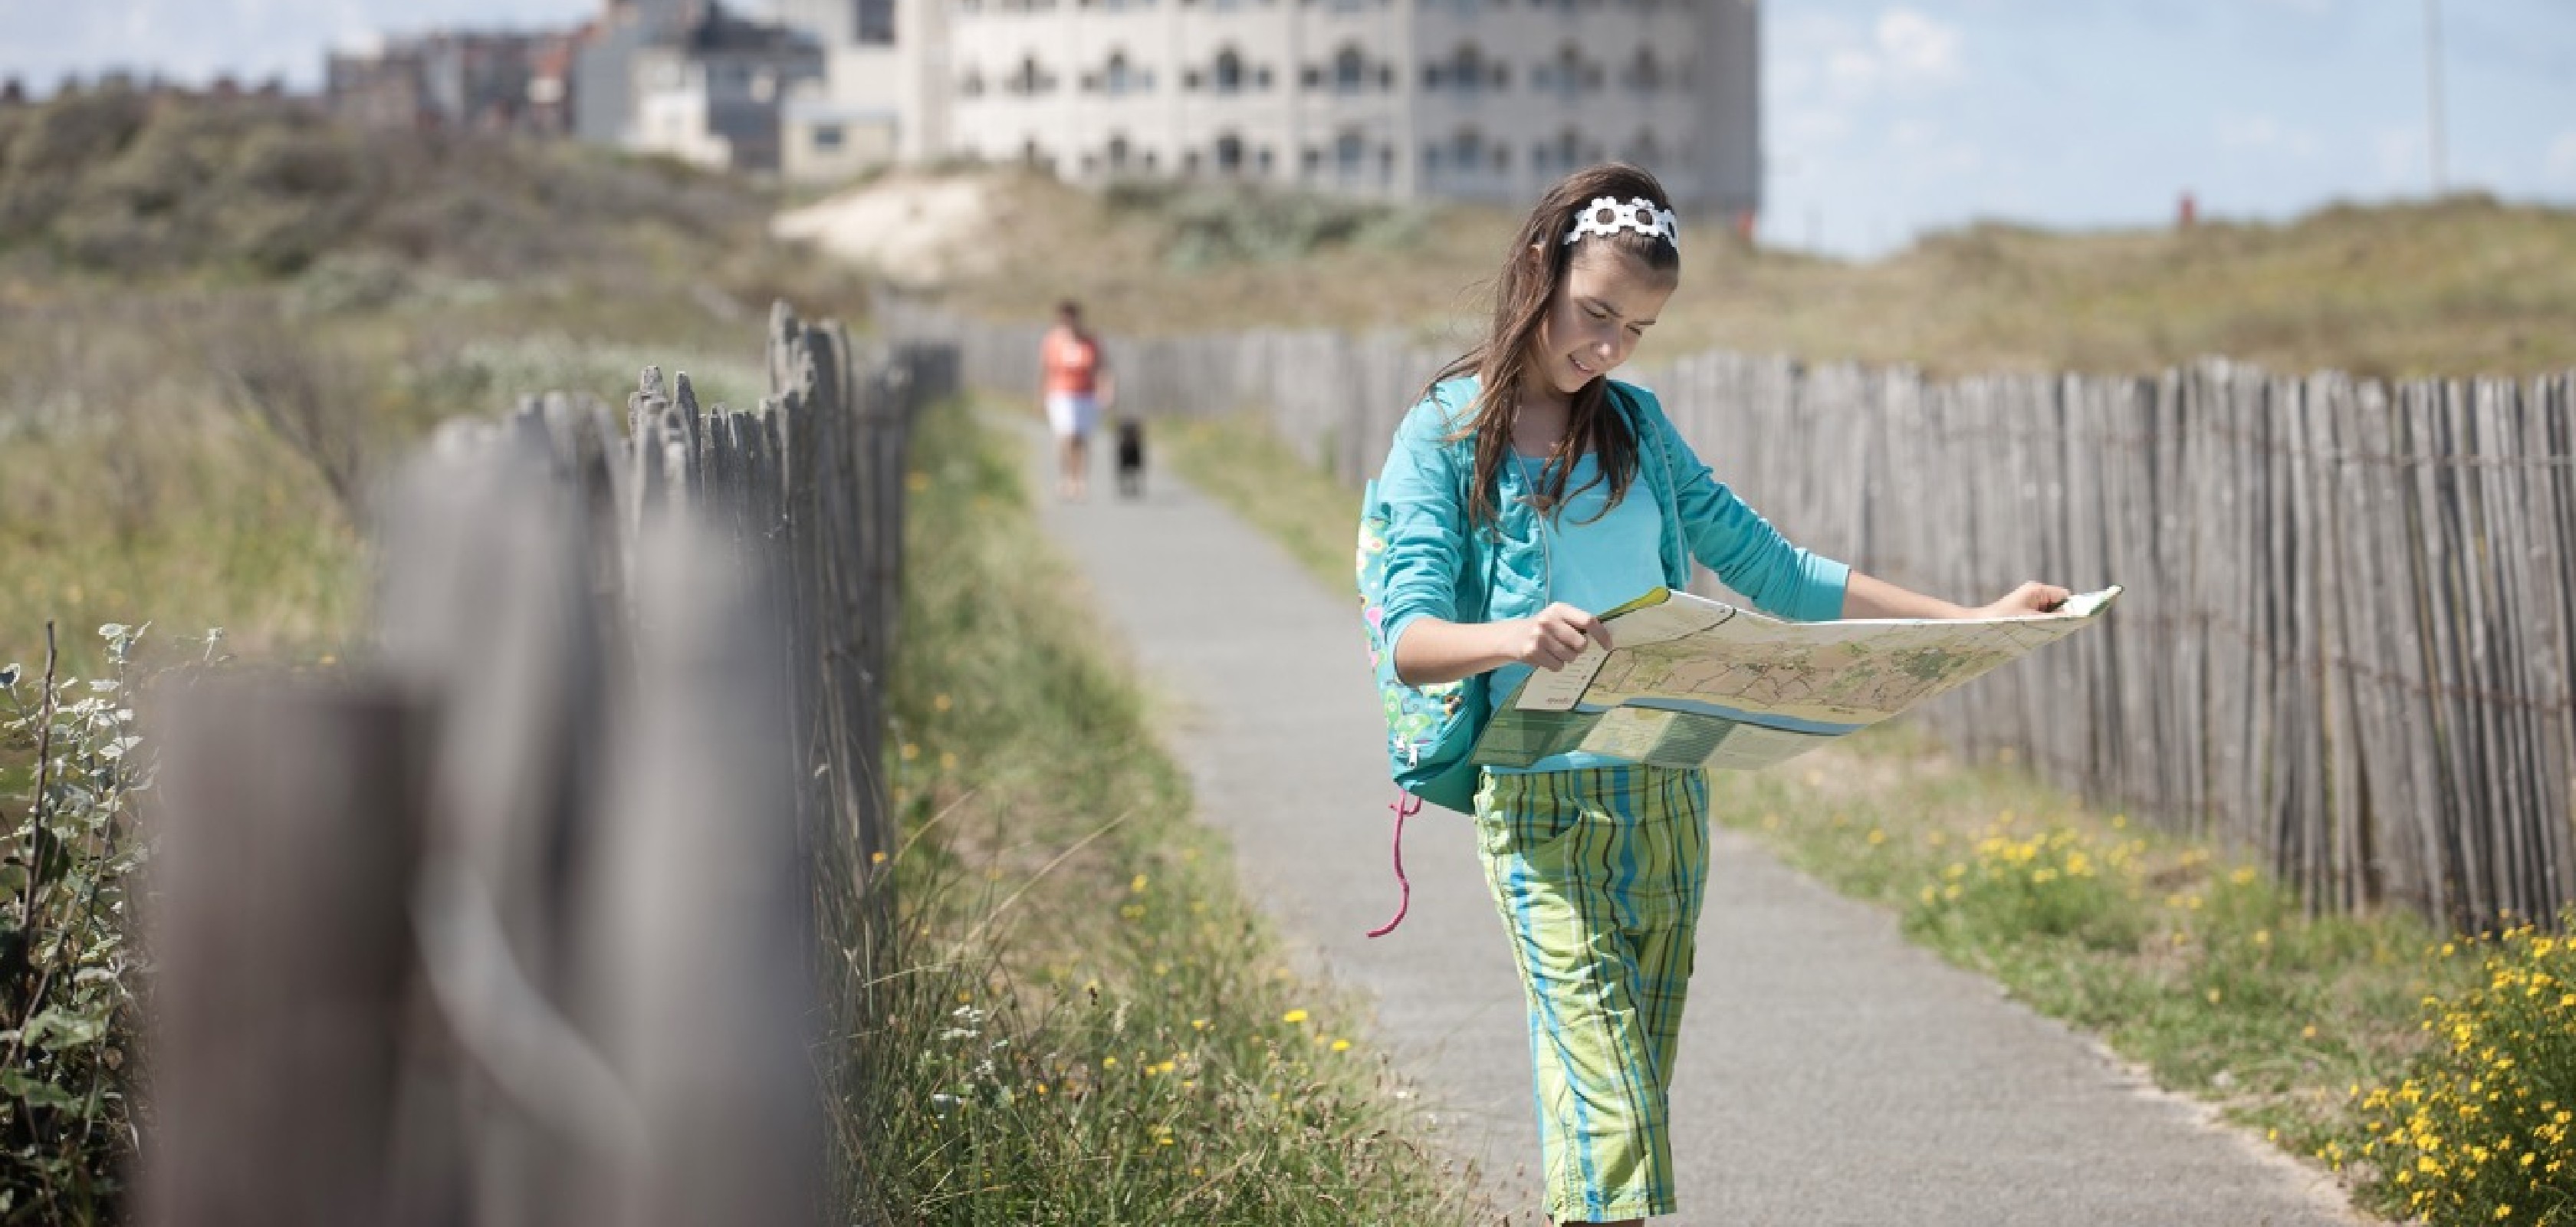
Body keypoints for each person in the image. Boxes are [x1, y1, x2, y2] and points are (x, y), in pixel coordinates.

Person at [1370, 163, 2068, 1226]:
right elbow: (1409, 639)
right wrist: (1518, 634)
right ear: (1537, 273)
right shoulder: (1444, 435)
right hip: (1539, 800)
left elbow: (1778, 571)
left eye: (1636, 330)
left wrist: (1974, 621)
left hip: (1667, 798)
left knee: (1622, 1098)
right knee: (1612, 1112)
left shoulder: (1638, 430)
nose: (1606, 349)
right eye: (1595, 314)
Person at [1040, 300, 1115, 498]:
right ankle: (1065, 477)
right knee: (1066, 436)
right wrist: (1041, 395)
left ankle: (1079, 480)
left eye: (1071, 316)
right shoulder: (1053, 340)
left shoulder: (1090, 340)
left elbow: (1102, 366)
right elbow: (1046, 370)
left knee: (1081, 438)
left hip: (1085, 394)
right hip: (1060, 394)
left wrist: (1105, 389)